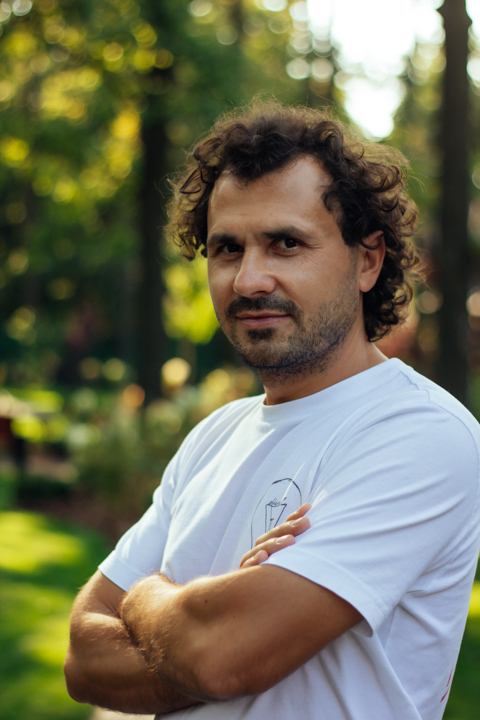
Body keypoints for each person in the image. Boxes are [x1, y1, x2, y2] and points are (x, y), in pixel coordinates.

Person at [64, 101, 480, 720]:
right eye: (227, 249)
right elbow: (83, 658)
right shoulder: (213, 437)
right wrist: (203, 629)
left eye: (286, 243)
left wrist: (147, 595)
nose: (249, 280)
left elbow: (222, 658)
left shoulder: (421, 434)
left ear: (367, 260)